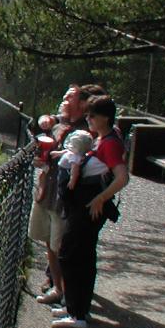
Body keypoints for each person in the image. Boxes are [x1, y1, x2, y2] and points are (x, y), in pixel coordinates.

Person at [52, 94, 129, 328]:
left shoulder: (110, 143)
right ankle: (75, 307)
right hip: (84, 206)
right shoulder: (104, 138)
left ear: (105, 117)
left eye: (92, 115)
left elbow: (122, 177)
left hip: (89, 208)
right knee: (79, 256)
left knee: (73, 255)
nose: (88, 119)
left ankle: (77, 314)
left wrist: (100, 198)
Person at [29, 83, 104, 305]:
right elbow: (46, 121)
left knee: (62, 246)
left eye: (69, 97)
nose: (64, 99)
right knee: (50, 243)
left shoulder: (86, 130)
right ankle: (57, 286)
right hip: (48, 192)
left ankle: (67, 294)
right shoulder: (60, 122)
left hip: (65, 198)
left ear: (82, 104)